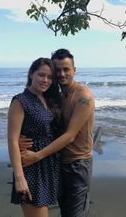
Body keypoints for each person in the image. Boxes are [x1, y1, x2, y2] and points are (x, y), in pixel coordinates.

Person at [20, 49, 95, 217]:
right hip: (57, 161)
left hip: (77, 164)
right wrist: (21, 138)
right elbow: (42, 123)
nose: (61, 74)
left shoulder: (83, 96)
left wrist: (37, 155)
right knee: (65, 210)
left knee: (75, 213)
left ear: (74, 70)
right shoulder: (57, 96)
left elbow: (70, 135)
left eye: (66, 69)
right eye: (57, 70)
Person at [7, 57, 62, 217]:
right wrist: (19, 178)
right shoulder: (20, 101)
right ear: (31, 74)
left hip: (48, 165)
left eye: (50, 77)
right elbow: (12, 140)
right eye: (41, 75)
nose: (46, 80)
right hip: (31, 168)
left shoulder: (48, 99)